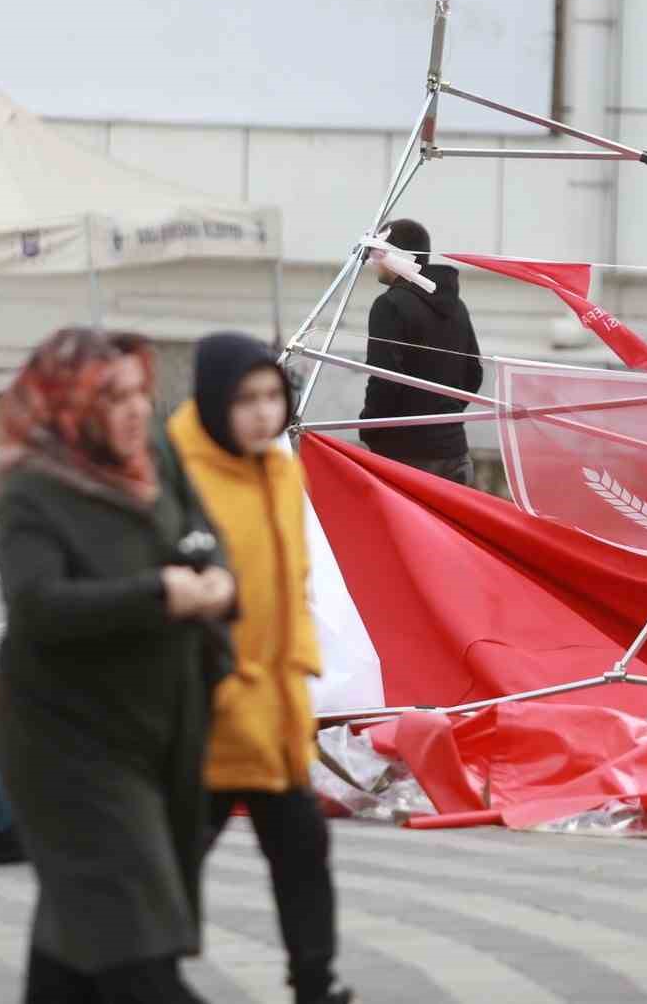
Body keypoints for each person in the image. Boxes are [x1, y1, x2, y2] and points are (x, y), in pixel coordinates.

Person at [0, 327, 237, 1004]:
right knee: (136, 947)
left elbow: (200, 534)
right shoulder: (35, 489)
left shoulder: (156, 455)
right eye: (114, 396)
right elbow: (37, 605)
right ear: (71, 404)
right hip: (65, 743)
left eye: (140, 393)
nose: (135, 410)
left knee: (78, 940)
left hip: (154, 729)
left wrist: (216, 577)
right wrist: (159, 593)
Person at [168, 332, 352, 1004]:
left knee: (303, 850)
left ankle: (315, 980)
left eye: (273, 395)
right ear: (215, 400)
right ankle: (137, 971)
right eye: (245, 398)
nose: (261, 412)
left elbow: (294, 579)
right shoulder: (178, 472)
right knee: (171, 860)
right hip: (205, 712)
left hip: (273, 707)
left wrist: (300, 670)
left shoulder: (279, 467)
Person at [358, 218, 483, 486]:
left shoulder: (389, 305)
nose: (373, 262)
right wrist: (443, 415)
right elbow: (474, 374)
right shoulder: (456, 305)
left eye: (378, 253)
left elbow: (384, 379)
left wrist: (370, 428)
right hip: (455, 452)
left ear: (396, 256)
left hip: (405, 456)